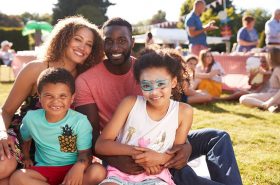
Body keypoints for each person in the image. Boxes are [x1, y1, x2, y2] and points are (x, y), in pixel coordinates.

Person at [75, 17, 242, 185]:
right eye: (109, 41)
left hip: (162, 142)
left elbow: (171, 115)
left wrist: (185, 146)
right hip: (122, 146)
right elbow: (92, 137)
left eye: (122, 41)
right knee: (177, 168)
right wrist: (120, 159)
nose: (115, 47)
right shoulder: (88, 81)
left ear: (132, 42)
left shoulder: (149, 68)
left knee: (217, 137)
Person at [0, 15, 104, 184]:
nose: (82, 47)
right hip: (24, 136)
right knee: (3, 168)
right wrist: (2, 135)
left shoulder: (86, 79)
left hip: (60, 149)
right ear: (63, 39)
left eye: (89, 45)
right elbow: (6, 111)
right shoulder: (36, 68)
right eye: (77, 39)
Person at [95, 49, 193, 184]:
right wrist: (136, 153)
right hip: (120, 175)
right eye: (146, 85)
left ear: (174, 82)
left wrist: (159, 158)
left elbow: (178, 154)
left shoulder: (183, 112)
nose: (154, 92)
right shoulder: (129, 104)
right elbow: (101, 145)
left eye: (161, 84)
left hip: (156, 177)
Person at [9, 68, 106, 185]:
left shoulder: (80, 121)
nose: (56, 101)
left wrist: (79, 167)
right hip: (44, 170)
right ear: (39, 97)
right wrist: (26, 157)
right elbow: (25, 139)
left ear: (72, 98)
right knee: (17, 177)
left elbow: (85, 153)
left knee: (98, 171)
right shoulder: (31, 119)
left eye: (62, 96)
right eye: (49, 96)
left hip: (73, 170)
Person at [240, 47, 280, 112]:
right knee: (243, 97)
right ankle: (271, 107)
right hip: (272, 95)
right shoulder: (275, 69)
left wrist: (269, 102)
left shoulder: (278, 69)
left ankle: (265, 105)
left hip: (275, 96)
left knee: (243, 98)